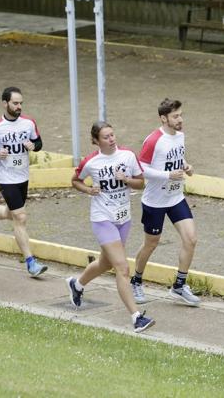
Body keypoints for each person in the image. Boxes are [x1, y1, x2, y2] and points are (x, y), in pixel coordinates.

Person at [66, 121, 155, 333]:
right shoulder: (91, 161)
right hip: (102, 218)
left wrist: (126, 179)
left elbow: (140, 182)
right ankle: (136, 317)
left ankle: (76, 285)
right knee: (122, 268)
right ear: (96, 141)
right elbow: (75, 180)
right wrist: (88, 190)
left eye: (112, 135)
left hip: (123, 218)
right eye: (106, 137)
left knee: (105, 263)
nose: (112, 139)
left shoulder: (127, 156)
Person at [130, 98, 199, 306]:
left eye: (181, 115)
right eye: (175, 116)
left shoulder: (180, 136)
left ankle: (179, 286)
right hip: (155, 202)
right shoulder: (153, 140)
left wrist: (186, 166)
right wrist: (168, 175)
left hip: (176, 197)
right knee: (151, 244)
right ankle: (136, 281)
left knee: (191, 239)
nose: (180, 119)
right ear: (163, 118)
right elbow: (141, 168)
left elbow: (177, 157)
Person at [0, 87, 47, 277]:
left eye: (21, 103)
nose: (19, 106)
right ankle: (31, 262)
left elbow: (39, 143)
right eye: (15, 103)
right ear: (5, 103)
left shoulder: (29, 123)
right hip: (6, 178)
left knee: (12, 213)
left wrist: (34, 146)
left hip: (23, 175)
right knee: (21, 217)